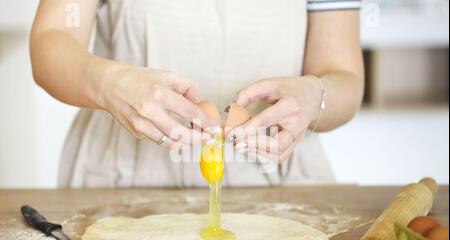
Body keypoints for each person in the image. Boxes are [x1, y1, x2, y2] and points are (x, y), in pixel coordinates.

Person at [30, 0, 364, 188]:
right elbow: (51, 40)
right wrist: (110, 82)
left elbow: (345, 78)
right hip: (123, 179)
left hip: (280, 184)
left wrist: (313, 96)